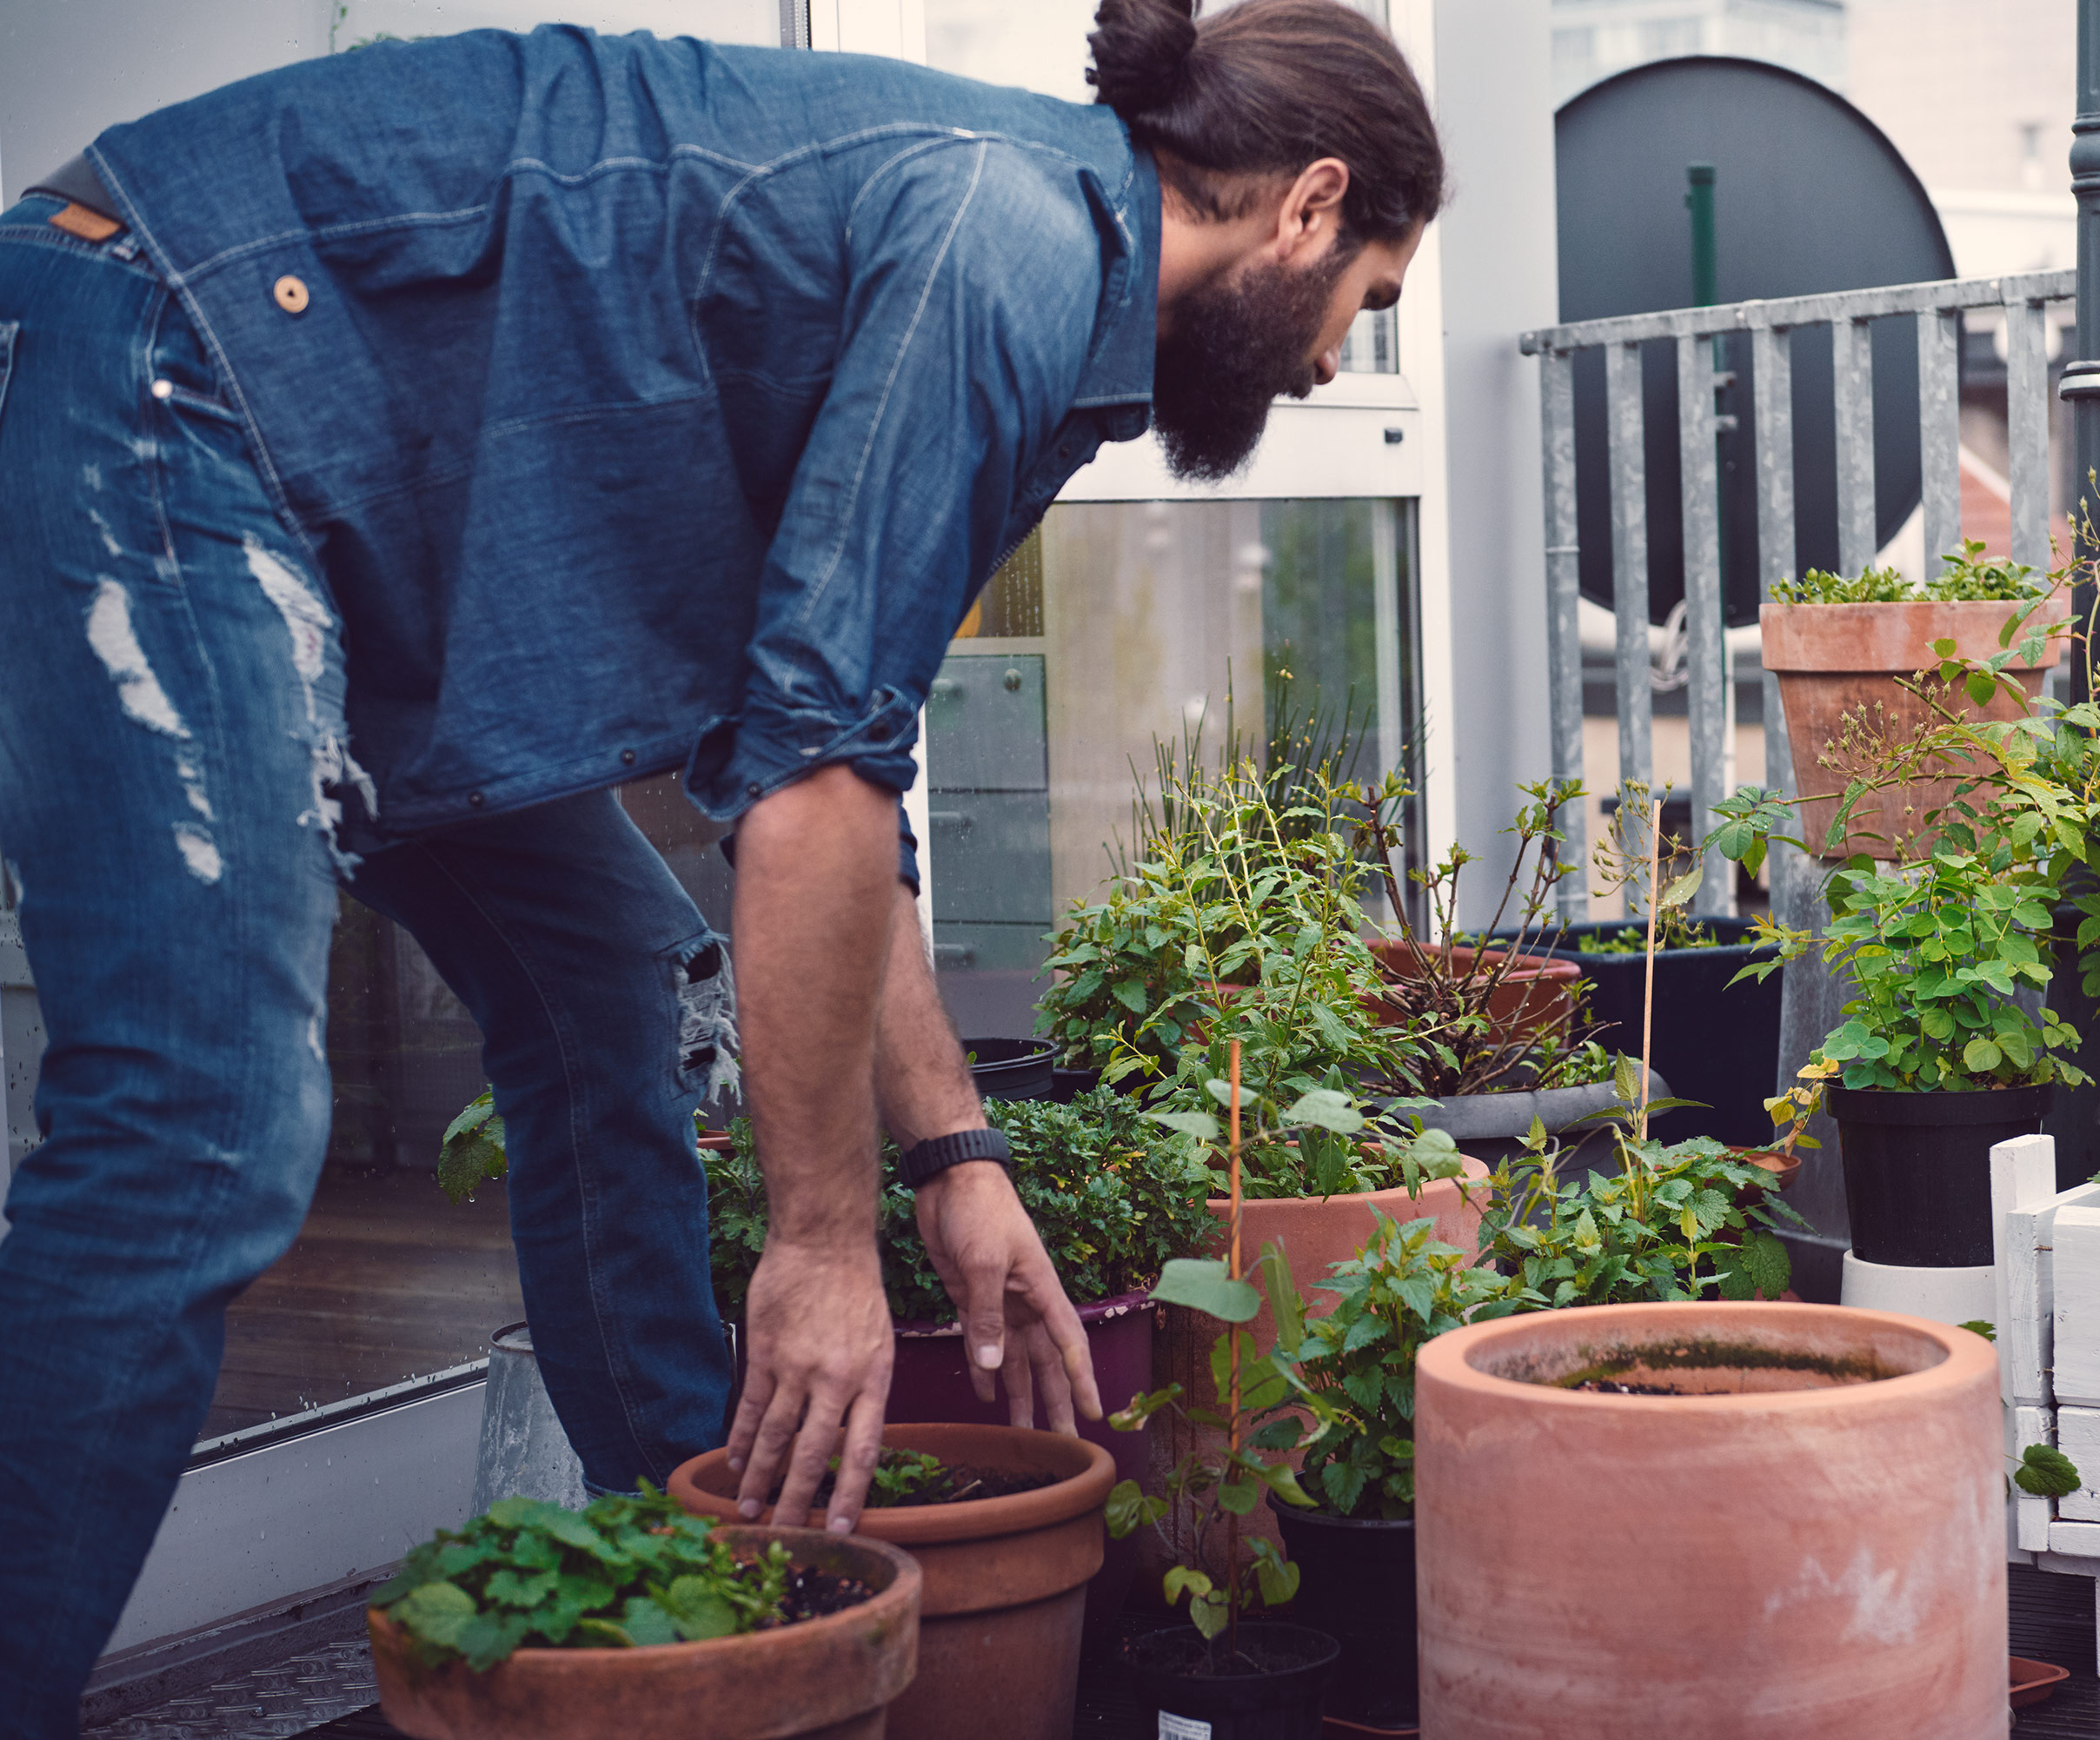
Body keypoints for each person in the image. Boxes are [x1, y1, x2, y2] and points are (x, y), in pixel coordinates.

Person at [0, 0, 1442, 1724]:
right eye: (1369, 299)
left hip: (338, 481)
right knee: (201, 1121)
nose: (1335, 366)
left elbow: (843, 772)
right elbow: (812, 780)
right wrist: (823, 1242)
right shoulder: (1013, 245)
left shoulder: (1034, 274)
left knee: (612, 992)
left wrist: (954, 1153)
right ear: (1307, 206)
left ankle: (709, 1614)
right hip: (182, 352)